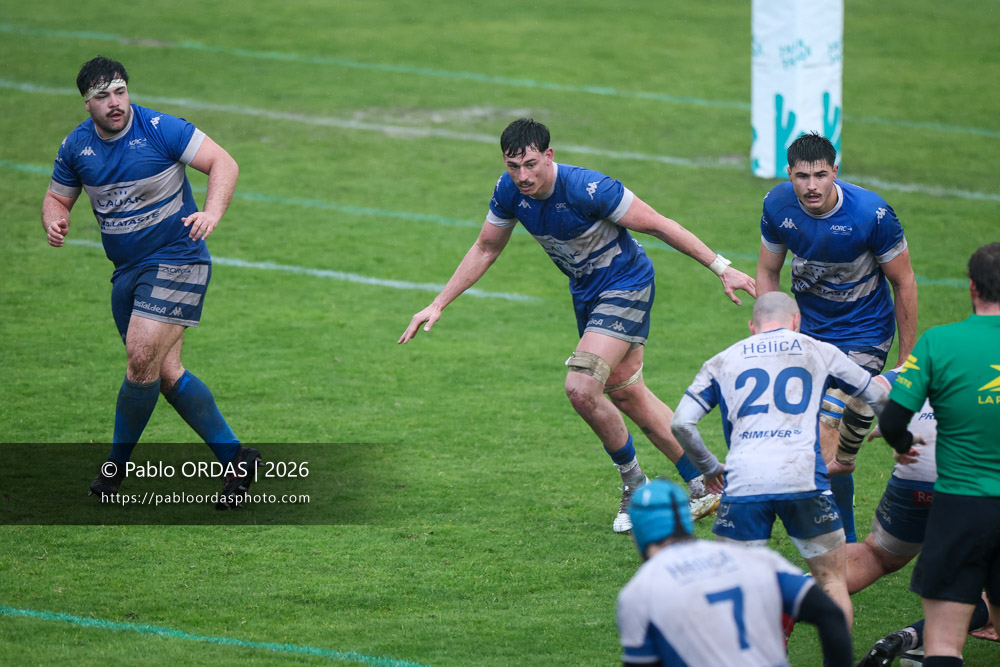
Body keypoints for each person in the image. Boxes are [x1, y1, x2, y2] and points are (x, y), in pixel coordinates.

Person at [398, 118, 756, 532]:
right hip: (587, 293)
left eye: (530, 164)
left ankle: (634, 484)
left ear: (549, 156)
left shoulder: (590, 189)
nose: (522, 176)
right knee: (627, 393)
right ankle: (706, 480)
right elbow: (485, 247)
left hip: (626, 285)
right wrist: (438, 303)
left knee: (581, 388)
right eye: (513, 166)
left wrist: (721, 267)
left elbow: (658, 223)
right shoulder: (508, 191)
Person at [41, 56, 259, 508]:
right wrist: (55, 219)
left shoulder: (161, 129)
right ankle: (237, 458)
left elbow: (224, 163)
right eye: (103, 96)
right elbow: (56, 197)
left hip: (178, 259)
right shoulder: (76, 147)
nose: (115, 102)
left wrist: (211, 213)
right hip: (128, 272)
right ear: (87, 104)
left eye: (120, 92)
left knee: (140, 358)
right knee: (162, 373)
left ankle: (113, 470)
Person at [669, 292, 890, 628]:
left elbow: (681, 423)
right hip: (803, 478)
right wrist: (895, 432)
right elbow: (875, 393)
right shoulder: (819, 349)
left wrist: (709, 467)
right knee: (831, 580)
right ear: (797, 321)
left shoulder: (722, 361)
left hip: (744, 483)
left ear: (752, 326)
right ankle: (839, 654)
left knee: (738, 588)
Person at [756, 132, 918, 544]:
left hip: (865, 333)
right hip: (809, 333)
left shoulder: (871, 214)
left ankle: (829, 545)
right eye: (802, 176)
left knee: (830, 420)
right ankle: (843, 537)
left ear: (835, 172)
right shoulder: (777, 205)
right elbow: (768, 271)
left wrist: (906, 364)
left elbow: (904, 282)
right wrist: (771, 334)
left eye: (821, 175)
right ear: (789, 174)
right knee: (809, 435)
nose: (811, 186)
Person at [876, 242, 1000, 667]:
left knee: (943, 645)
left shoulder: (939, 343)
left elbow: (893, 420)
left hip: (961, 508)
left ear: (972, 288)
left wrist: (903, 445)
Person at [616, 479, 852, 667]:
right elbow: (829, 614)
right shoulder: (752, 559)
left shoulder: (640, 592)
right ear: (687, 520)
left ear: (638, 534)